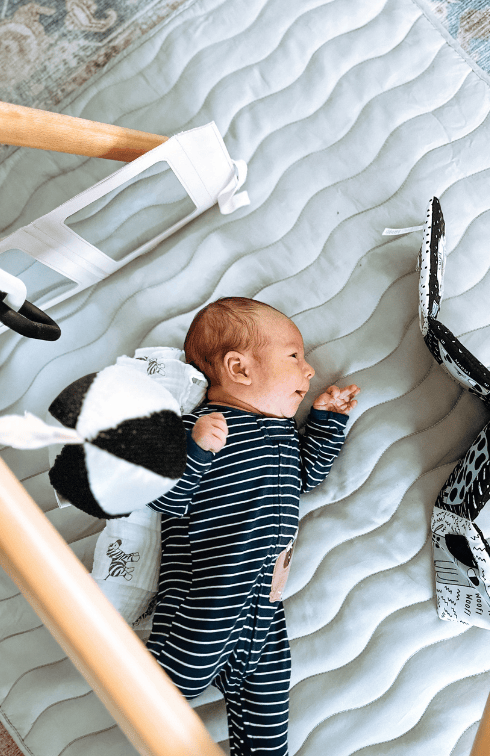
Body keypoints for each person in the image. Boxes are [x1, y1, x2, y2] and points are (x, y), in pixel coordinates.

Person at [145, 297, 359, 756]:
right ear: (239, 369)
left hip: (265, 610)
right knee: (153, 705)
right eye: (294, 356)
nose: (309, 369)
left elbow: (304, 479)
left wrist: (325, 425)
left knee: (267, 728)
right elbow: (165, 497)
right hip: (206, 603)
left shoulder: (282, 433)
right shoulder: (201, 426)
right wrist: (197, 450)